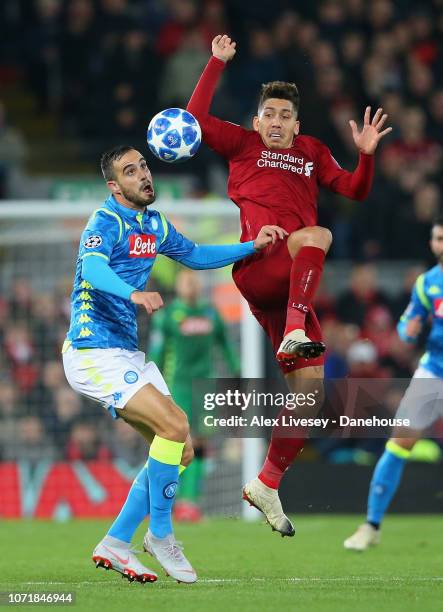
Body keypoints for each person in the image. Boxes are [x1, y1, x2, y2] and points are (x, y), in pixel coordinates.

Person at [187, 34, 392, 536]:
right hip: (260, 263)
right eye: (269, 115)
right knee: (318, 233)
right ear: (256, 120)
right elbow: (193, 118)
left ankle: (267, 483)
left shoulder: (313, 151)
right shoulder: (241, 143)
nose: (276, 123)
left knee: (310, 391)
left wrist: (365, 156)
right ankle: (296, 330)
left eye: (284, 116)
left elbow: (355, 191)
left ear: (296, 125)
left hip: (293, 279)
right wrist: (215, 64)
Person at [62, 144, 285, 584]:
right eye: (130, 171)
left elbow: (197, 255)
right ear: (114, 187)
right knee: (176, 426)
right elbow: (91, 270)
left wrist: (250, 248)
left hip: (123, 351)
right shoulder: (105, 221)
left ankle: (116, 542)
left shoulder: (155, 223)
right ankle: (161, 534)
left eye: (143, 165)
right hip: (93, 349)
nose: (143, 174)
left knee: (180, 450)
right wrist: (134, 293)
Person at [344, 218, 443, 551]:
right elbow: (405, 327)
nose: (441, 245)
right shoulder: (427, 283)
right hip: (434, 370)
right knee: (400, 441)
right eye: (437, 238)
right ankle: (371, 525)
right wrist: (408, 332)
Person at [149, 268, 240, 520]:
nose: (190, 285)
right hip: (177, 384)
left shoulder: (210, 312)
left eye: (194, 281)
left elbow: (224, 342)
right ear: (178, 286)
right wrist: (150, 378)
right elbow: (157, 350)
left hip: (206, 384)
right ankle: (169, 499)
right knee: (179, 440)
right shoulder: (168, 316)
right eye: (185, 281)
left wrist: (236, 367)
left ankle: (191, 502)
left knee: (201, 442)